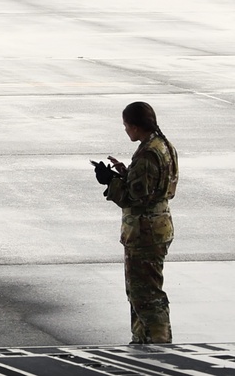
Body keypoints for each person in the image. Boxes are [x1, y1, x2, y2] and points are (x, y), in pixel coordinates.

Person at [93, 101, 178, 344]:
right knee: (147, 289)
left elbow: (135, 197)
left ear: (135, 126)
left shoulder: (148, 152)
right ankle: (144, 338)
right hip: (158, 225)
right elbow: (154, 186)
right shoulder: (164, 146)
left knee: (144, 293)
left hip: (144, 231)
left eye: (126, 126)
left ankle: (156, 343)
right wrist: (125, 172)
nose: (126, 130)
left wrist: (110, 182)